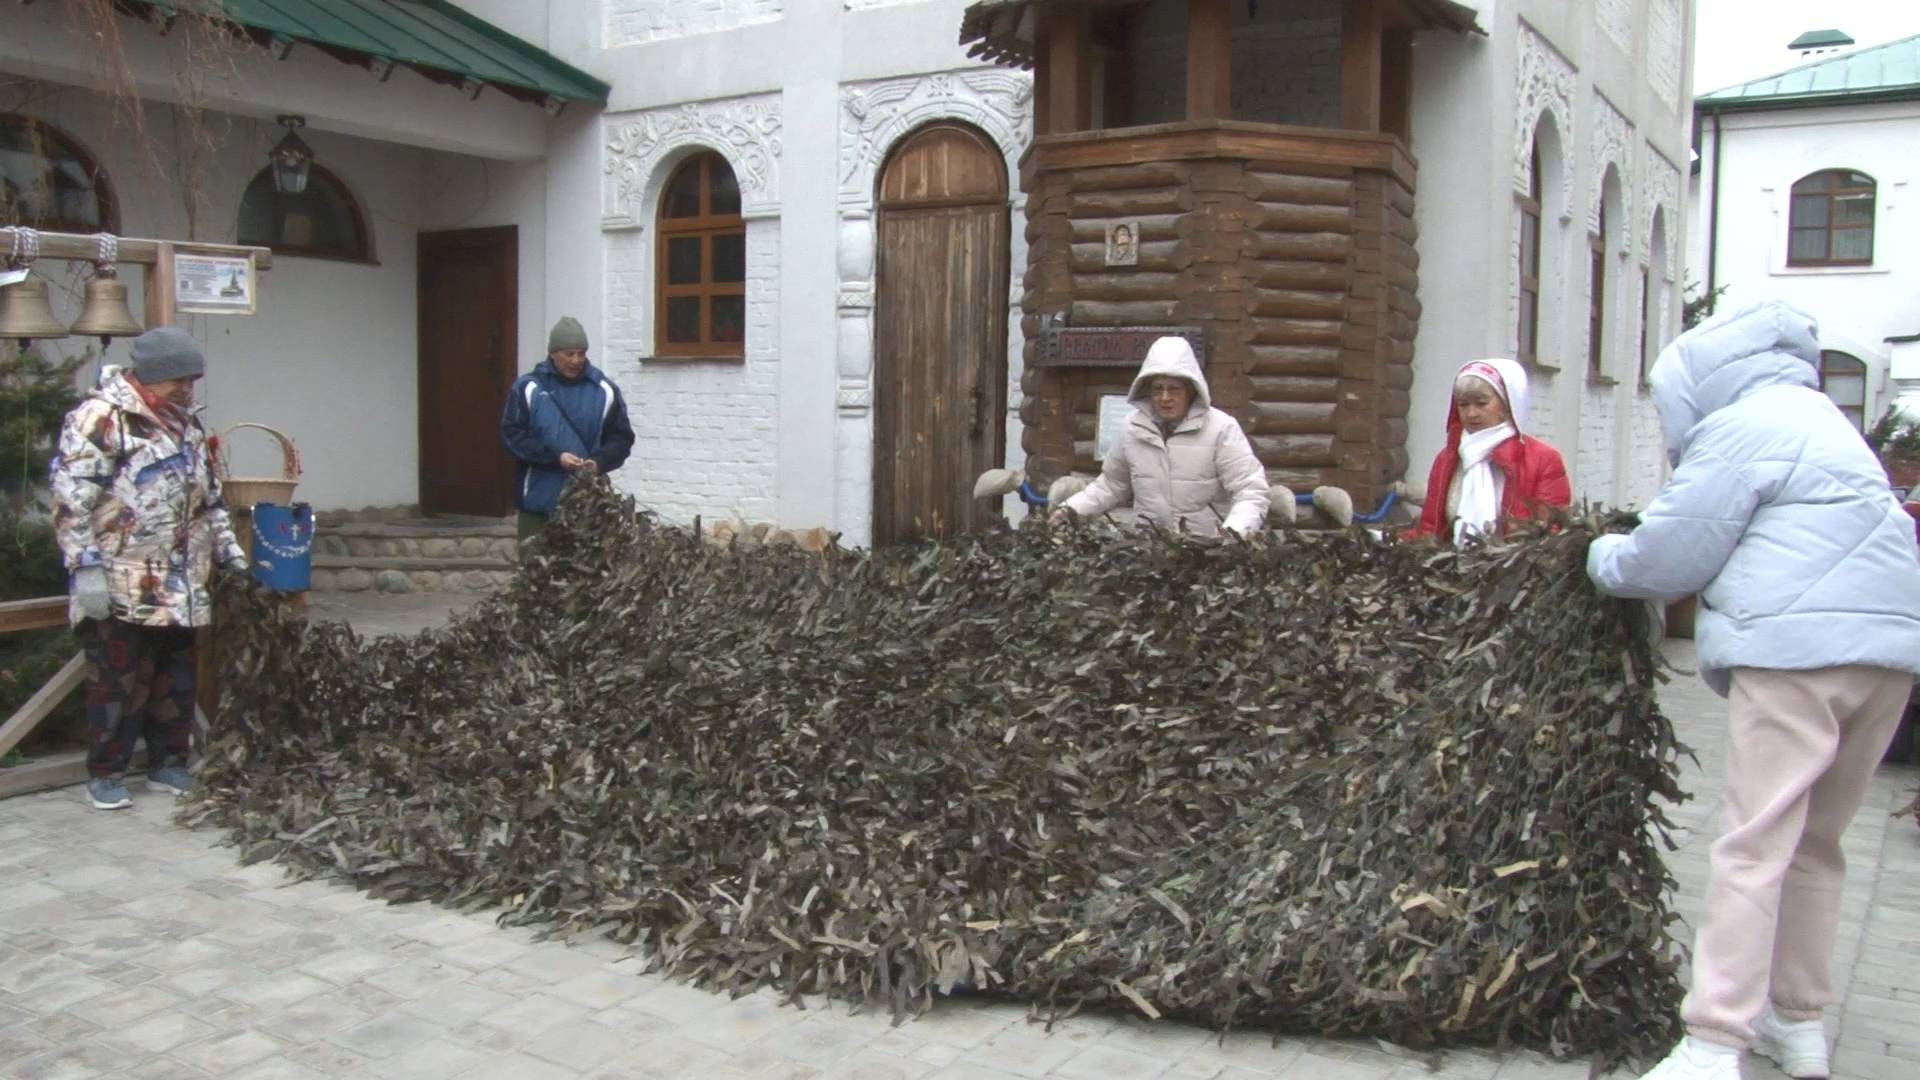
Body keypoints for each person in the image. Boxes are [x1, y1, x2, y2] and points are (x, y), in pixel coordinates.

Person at [1586, 300, 1920, 1080]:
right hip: (1889, 654)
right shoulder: (1826, 423)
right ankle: (1797, 1024)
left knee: (1752, 845)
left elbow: (1669, 556)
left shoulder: (1743, 426)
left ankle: (1712, 1044)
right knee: (1816, 845)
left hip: (1797, 652)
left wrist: (1601, 555)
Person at [50, 326, 247, 811]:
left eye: (191, 378)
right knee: (116, 680)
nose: (185, 387)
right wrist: (86, 569)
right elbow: (72, 502)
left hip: (182, 581)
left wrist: (229, 553)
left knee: (174, 676)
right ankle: (106, 772)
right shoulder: (100, 420)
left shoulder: (188, 424)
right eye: (176, 378)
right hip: (122, 579)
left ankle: (168, 763)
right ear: (147, 375)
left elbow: (211, 499)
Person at [1051, 335, 1269, 536]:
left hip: (1207, 553)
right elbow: (1111, 485)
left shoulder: (1221, 429)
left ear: (1191, 390)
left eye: (1174, 389)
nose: (1165, 397)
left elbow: (1250, 490)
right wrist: (1070, 511)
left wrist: (1233, 535)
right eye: (1158, 389)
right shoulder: (1132, 428)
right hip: (1150, 553)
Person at [500, 316, 635, 541]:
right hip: (537, 501)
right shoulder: (528, 388)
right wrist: (555, 457)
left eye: (581, 353)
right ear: (553, 353)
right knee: (535, 571)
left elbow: (621, 439)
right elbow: (512, 436)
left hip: (588, 504)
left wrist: (598, 462)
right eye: (569, 354)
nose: (576, 360)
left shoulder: (604, 390)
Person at [1410, 357, 1570, 543]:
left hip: (1517, 568)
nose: (1471, 413)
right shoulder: (1447, 459)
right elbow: (1430, 528)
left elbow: (1552, 532)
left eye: (1481, 403)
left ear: (1506, 405)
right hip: (1453, 566)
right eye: (1463, 404)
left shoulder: (1543, 459)